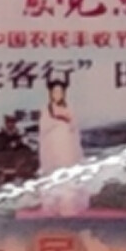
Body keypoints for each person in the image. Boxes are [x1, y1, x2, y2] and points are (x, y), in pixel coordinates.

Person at [38, 80, 88, 215]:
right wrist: (57, 121)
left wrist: (68, 120)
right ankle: (52, 207)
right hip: (53, 148)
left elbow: (74, 127)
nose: (57, 95)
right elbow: (43, 128)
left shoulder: (70, 108)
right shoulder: (46, 109)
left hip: (67, 148)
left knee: (67, 176)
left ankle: (68, 207)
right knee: (53, 177)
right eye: (55, 92)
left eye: (60, 92)